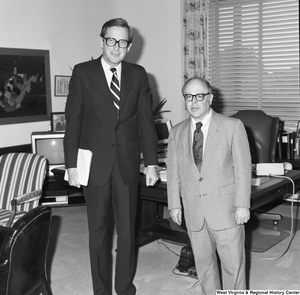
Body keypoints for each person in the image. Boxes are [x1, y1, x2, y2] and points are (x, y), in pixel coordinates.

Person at [64, 18, 158, 295]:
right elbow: (74, 123)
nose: (117, 47)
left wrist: (151, 162)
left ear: (129, 46)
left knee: (128, 234)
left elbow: (145, 123)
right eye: (111, 40)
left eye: (123, 42)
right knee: (98, 234)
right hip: (94, 166)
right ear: (102, 40)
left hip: (127, 164)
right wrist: (71, 165)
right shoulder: (83, 73)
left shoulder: (139, 75)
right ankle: (101, 291)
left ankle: (124, 288)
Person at [167, 77, 252, 293]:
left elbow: (243, 169)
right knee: (205, 267)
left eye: (199, 96)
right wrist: (174, 205)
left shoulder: (232, 127)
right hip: (195, 212)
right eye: (188, 96)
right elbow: (174, 171)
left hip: (226, 210)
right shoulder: (176, 132)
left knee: (233, 267)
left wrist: (243, 205)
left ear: (210, 98)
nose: (194, 101)